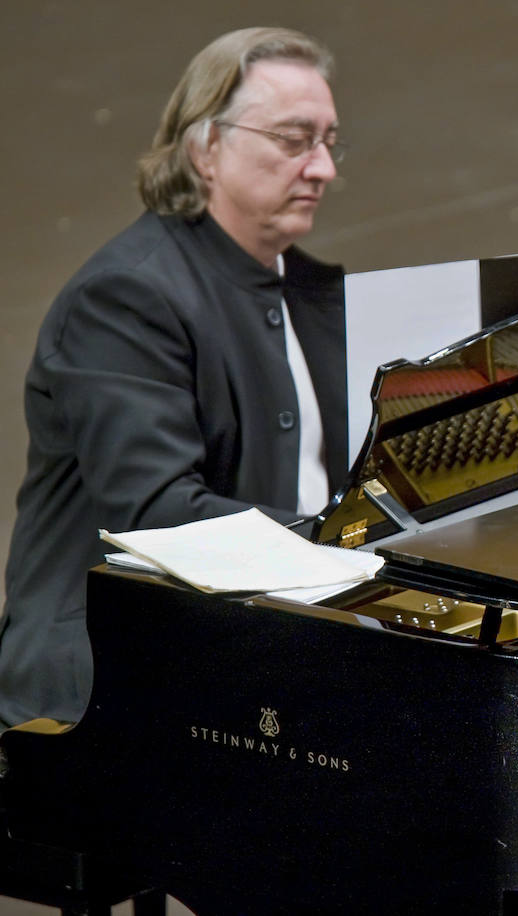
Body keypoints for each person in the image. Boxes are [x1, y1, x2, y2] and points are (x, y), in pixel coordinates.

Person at [0, 28, 350, 728]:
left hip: (262, 662)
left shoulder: (327, 297)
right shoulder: (125, 296)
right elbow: (159, 513)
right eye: (293, 139)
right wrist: (349, 549)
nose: (322, 169)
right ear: (206, 147)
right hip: (107, 688)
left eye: (329, 142)